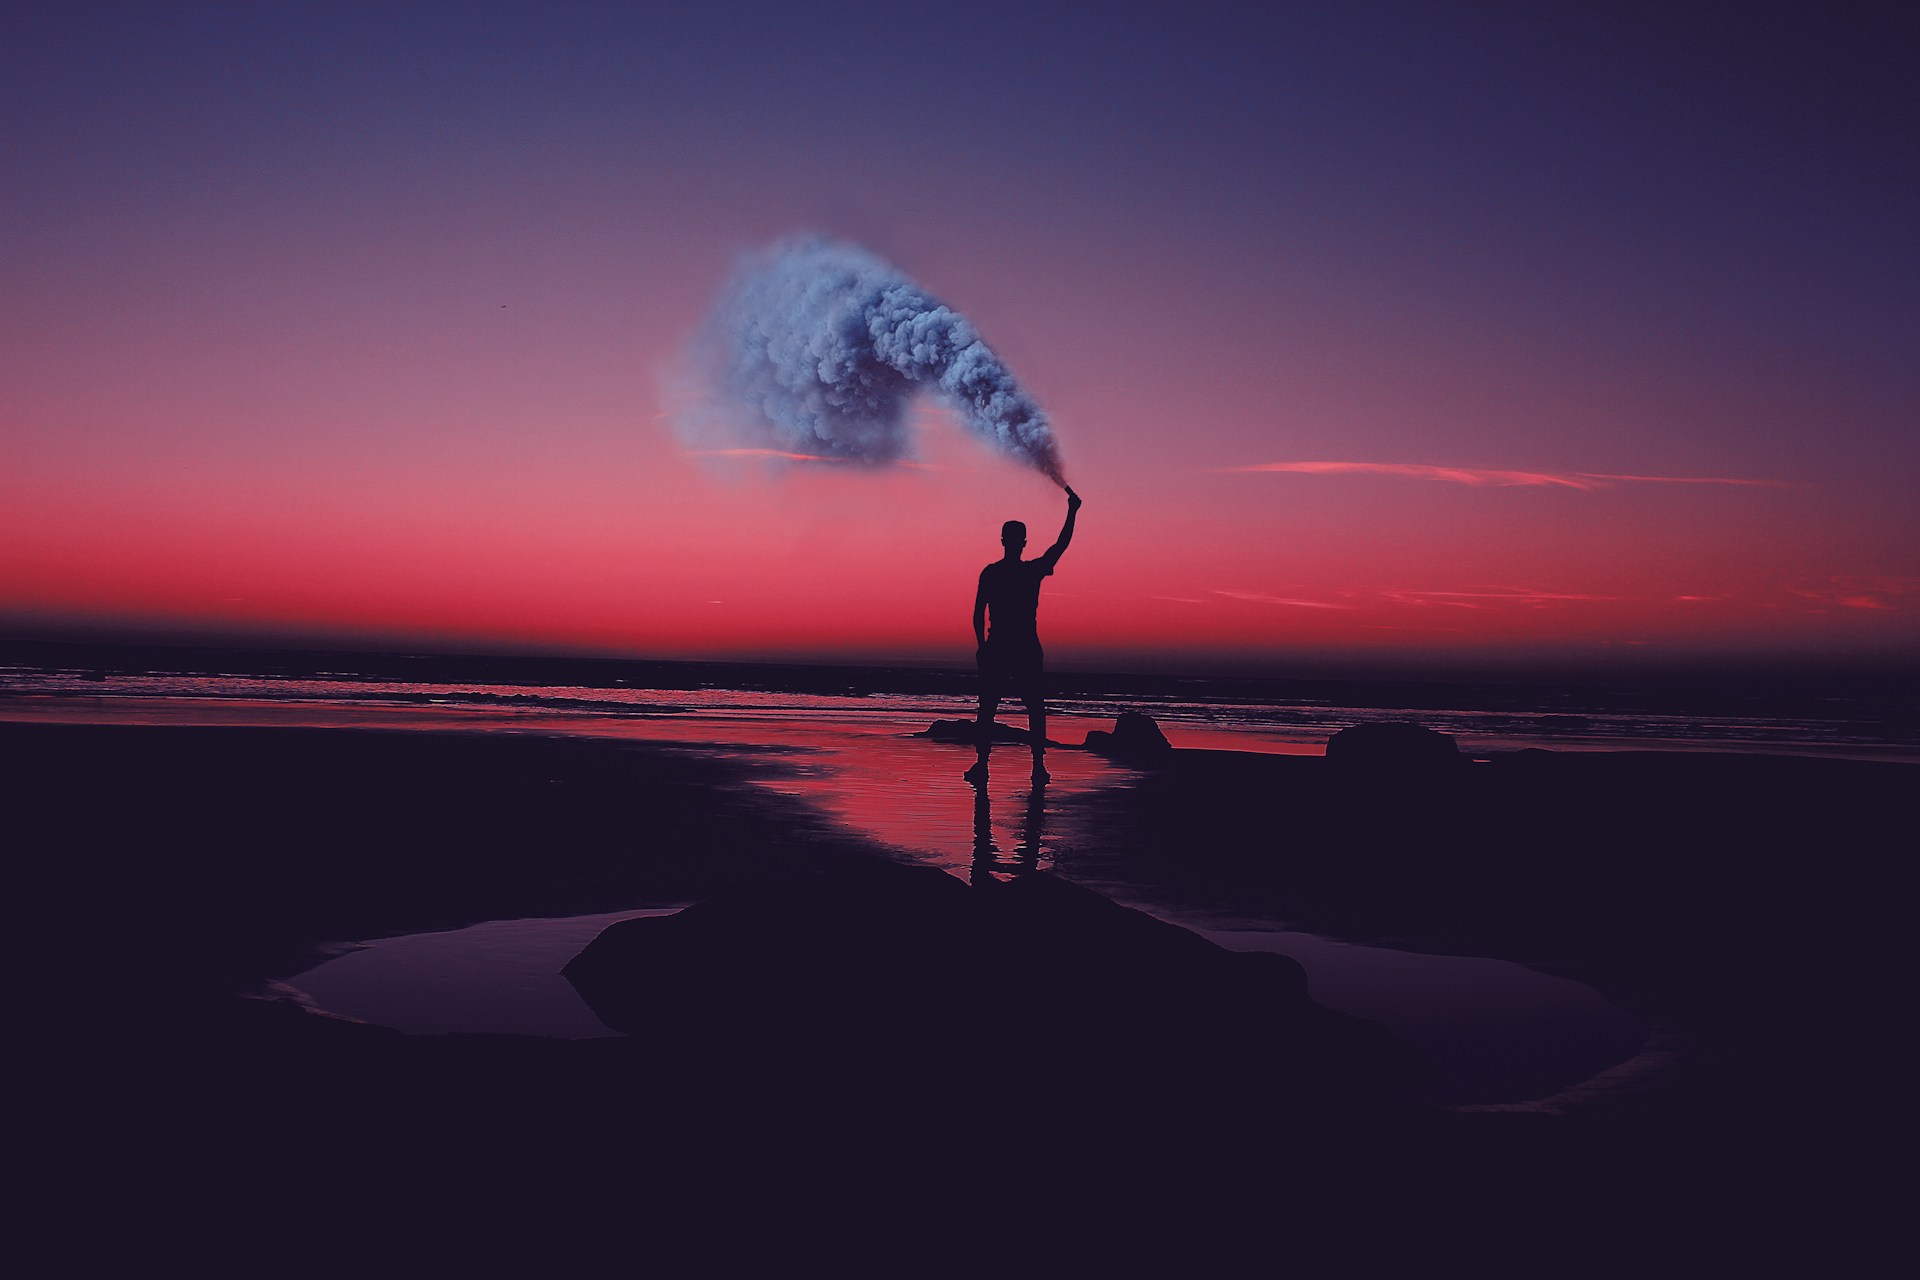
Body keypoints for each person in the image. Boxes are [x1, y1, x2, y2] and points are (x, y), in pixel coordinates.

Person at [964, 486, 1081, 785]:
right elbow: (1060, 545)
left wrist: (981, 647)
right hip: (1024, 646)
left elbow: (978, 613)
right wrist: (1072, 512)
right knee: (1033, 708)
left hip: (1001, 646)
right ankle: (1037, 767)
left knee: (989, 708)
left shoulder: (991, 573)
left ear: (1004, 541)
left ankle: (983, 765)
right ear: (1023, 542)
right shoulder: (1029, 572)